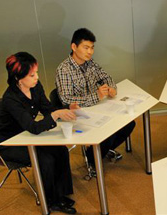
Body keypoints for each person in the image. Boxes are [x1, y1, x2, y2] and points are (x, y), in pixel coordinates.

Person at [0, 52, 78, 214]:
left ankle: (61, 194)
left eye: (36, 73)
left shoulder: (35, 87)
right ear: (18, 77)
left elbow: (47, 109)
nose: (37, 77)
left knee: (60, 150)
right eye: (32, 75)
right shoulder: (11, 98)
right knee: (44, 159)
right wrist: (54, 115)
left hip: (25, 135)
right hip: (7, 142)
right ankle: (50, 201)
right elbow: (33, 127)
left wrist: (63, 111)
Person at [55, 28, 135, 166]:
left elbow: (106, 77)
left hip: (98, 108)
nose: (90, 52)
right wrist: (96, 96)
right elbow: (66, 100)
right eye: (86, 48)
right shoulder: (64, 69)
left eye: (92, 48)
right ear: (74, 47)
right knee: (107, 131)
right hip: (78, 114)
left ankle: (99, 151)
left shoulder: (90, 63)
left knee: (128, 124)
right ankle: (93, 159)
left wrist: (112, 89)